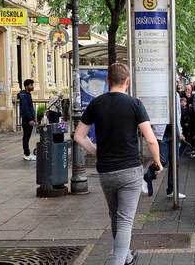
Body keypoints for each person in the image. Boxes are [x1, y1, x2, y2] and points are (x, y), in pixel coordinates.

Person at [74, 63, 163, 265]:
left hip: (106, 172)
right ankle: (118, 261)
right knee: (125, 220)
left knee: (115, 216)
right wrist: (157, 162)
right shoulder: (134, 104)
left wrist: (97, 152)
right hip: (129, 171)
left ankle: (128, 257)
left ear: (108, 81)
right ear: (127, 82)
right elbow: (150, 139)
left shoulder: (96, 104)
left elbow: (79, 136)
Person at [18, 79, 36, 161]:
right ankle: (27, 154)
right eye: (31, 85)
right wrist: (30, 119)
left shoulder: (27, 94)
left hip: (28, 119)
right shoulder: (24, 96)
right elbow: (25, 109)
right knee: (26, 137)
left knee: (27, 137)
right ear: (26, 86)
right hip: (27, 120)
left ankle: (27, 153)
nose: (32, 86)